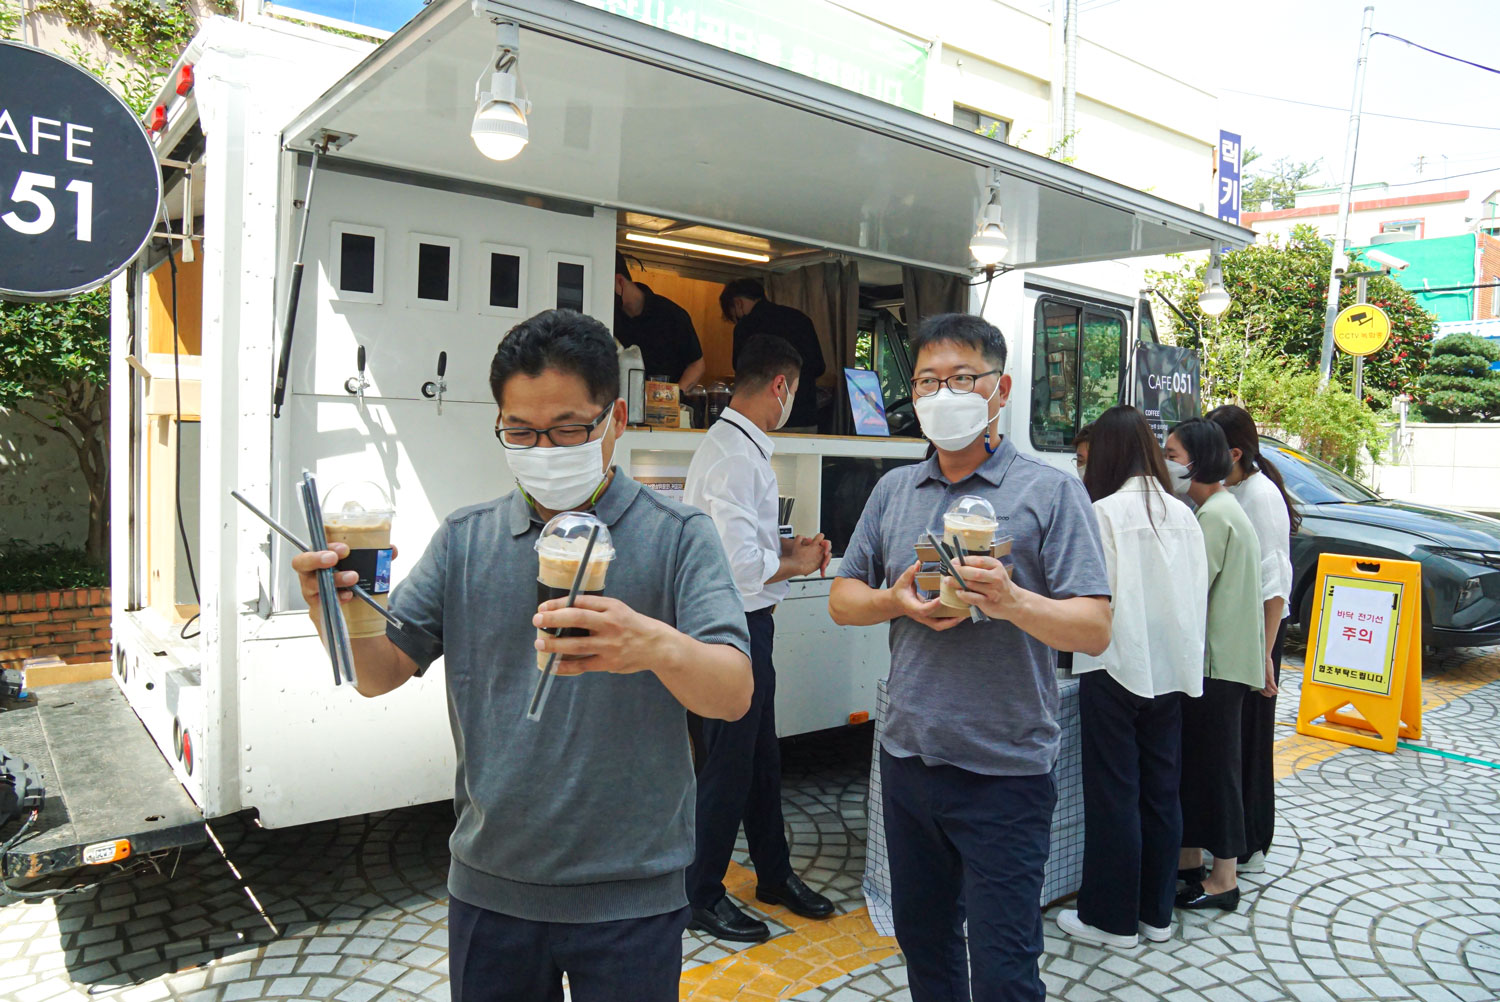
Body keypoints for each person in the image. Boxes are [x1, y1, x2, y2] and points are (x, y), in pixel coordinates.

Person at [290, 309, 754, 1002]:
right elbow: (378, 675)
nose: (544, 448)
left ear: (616, 419)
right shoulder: (466, 540)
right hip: (492, 888)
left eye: (568, 428)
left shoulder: (679, 535)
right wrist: (332, 603)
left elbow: (734, 692)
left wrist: (652, 644)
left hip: (631, 896)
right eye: (521, 431)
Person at [829, 313, 1112, 1002]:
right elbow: (842, 597)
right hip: (909, 756)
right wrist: (896, 602)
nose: (942, 394)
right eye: (928, 380)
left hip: (1005, 769)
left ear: (1000, 388)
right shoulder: (896, 491)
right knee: (924, 945)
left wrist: (1013, 601)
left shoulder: (1049, 492)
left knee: (1003, 964)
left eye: (961, 378)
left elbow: (1095, 627)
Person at [682, 335, 836, 941]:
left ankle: (773, 872)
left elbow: (743, 548)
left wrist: (786, 550)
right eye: (794, 392)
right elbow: (740, 566)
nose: (791, 401)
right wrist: (796, 564)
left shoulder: (734, 448)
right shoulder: (736, 458)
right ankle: (700, 892)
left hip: (744, 625)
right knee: (728, 765)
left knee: (760, 761)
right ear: (780, 387)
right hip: (732, 630)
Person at [1056, 406, 1207, 950]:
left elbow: (1091, 597)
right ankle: (1156, 914)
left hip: (1115, 666)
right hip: (1172, 673)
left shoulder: (1103, 513)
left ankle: (1111, 920)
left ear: (1108, 454)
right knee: (1162, 793)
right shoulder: (1183, 512)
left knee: (1114, 795)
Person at [1162, 418, 1265, 913]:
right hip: (1223, 662)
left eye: (1173, 454)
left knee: (1216, 770)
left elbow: (1189, 591)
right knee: (1203, 768)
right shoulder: (1219, 509)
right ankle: (1190, 866)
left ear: (1199, 460)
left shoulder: (1214, 518)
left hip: (1217, 666)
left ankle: (1224, 877)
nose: (1167, 463)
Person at [1207, 404, 1298, 872]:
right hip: (1239, 633)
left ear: (1235, 453)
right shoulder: (1236, 489)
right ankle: (1236, 839)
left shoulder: (1260, 497)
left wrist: (1263, 655)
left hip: (1258, 633)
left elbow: (1274, 583)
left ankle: (1251, 842)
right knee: (1236, 739)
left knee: (1251, 736)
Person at [720, 278, 826, 432]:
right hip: (805, 416)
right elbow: (819, 367)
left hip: (763, 419)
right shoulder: (801, 319)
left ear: (738, 303)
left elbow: (741, 372)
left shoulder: (746, 326)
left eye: (734, 316)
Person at [614, 253, 706, 392]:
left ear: (620, 281)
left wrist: (674, 396)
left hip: (665, 406)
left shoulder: (672, 315)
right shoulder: (610, 316)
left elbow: (697, 365)